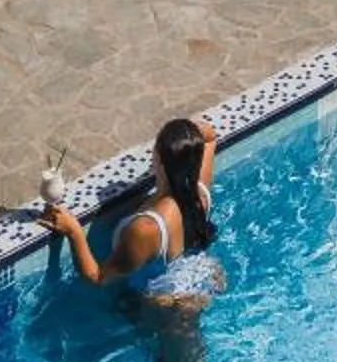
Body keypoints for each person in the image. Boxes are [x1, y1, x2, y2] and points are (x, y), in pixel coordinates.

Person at [39, 114, 223, 306]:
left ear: (158, 158)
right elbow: (209, 136)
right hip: (200, 280)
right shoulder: (200, 196)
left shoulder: (145, 229)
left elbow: (98, 278)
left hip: (168, 308)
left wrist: (73, 231)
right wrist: (183, 137)